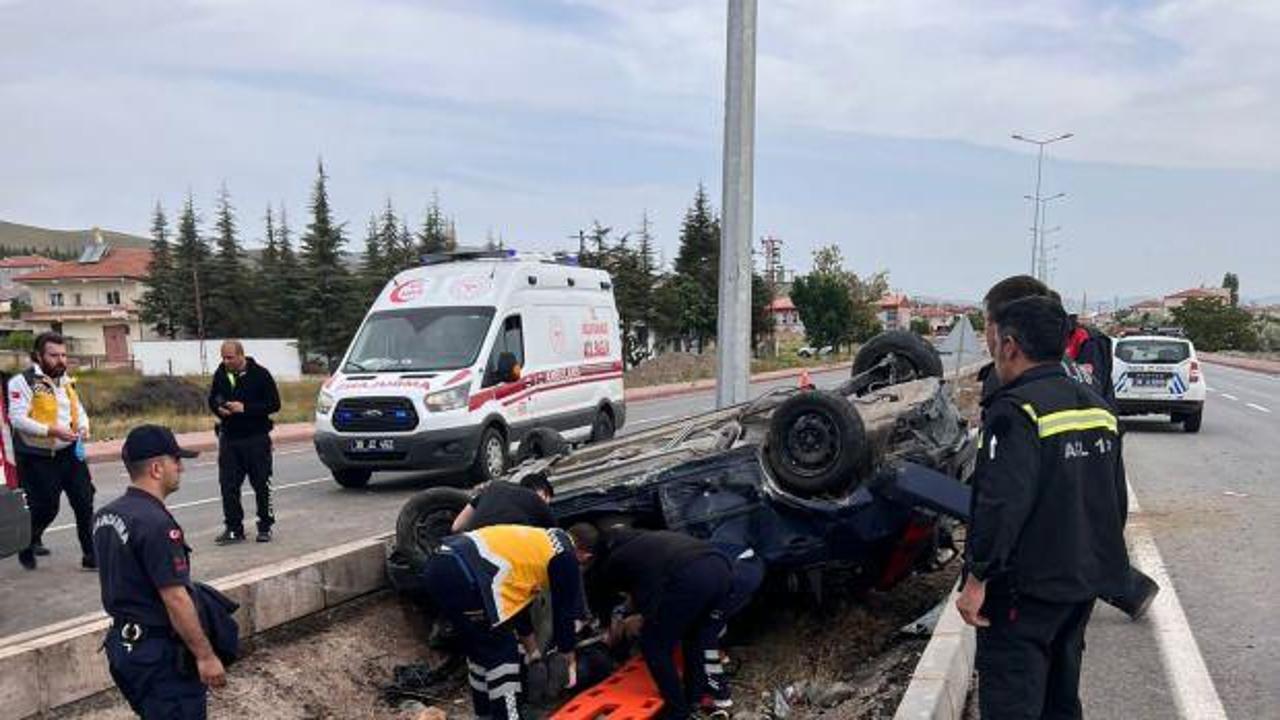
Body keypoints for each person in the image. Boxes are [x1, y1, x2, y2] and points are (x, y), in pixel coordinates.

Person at [957, 296, 1130, 719]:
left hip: (1024, 592)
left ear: (1010, 345)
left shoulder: (1014, 411)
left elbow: (1001, 504)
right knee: (1061, 700)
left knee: (1013, 702)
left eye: (993, 339)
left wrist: (978, 577)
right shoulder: (1098, 408)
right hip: (1081, 585)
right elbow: (1115, 501)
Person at [979, 276, 1158, 620]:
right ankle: (1116, 581)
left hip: (1031, 579)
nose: (987, 334)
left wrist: (978, 575)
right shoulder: (1086, 366)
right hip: (1080, 557)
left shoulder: (1012, 394)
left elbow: (1003, 495)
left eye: (988, 323)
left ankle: (1120, 583)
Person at [93, 425, 225, 718]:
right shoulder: (156, 524)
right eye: (176, 461)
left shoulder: (106, 515)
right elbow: (175, 598)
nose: (181, 469)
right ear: (156, 468)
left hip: (124, 648)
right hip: (159, 655)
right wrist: (205, 656)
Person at [569, 524, 733, 720]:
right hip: (721, 568)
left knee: (655, 645)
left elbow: (623, 601)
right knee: (696, 638)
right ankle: (693, 698)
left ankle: (677, 711)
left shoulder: (609, 565)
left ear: (587, 556)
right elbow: (643, 585)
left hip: (687, 577)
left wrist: (624, 625)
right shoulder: (638, 540)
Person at [422, 524, 583, 719]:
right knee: (503, 654)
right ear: (584, 555)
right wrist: (569, 656)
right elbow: (564, 611)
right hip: (465, 577)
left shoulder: (538, 543)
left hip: (439, 564)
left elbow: (516, 606)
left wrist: (532, 652)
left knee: (479, 652)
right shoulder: (565, 557)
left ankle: (485, 714)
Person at [8, 332, 95, 570]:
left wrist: (84, 427)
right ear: (38, 356)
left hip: (69, 453)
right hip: (38, 456)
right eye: (54, 355)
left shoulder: (65, 380)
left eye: (64, 355)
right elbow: (17, 419)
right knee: (46, 506)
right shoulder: (23, 382)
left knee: (84, 502)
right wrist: (51, 431)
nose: (61, 360)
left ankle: (91, 555)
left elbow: (78, 408)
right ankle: (27, 540)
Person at [207, 340, 280, 545]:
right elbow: (213, 397)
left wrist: (245, 408)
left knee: (261, 482)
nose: (226, 361)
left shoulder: (260, 374)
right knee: (228, 484)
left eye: (230, 357)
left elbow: (274, 403)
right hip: (230, 437)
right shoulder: (221, 373)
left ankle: (265, 526)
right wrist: (218, 407)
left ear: (241, 355)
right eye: (223, 357)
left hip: (255, 437)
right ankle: (233, 528)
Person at [451, 472, 556, 533]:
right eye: (548, 502)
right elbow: (556, 541)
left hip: (474, 545)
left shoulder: (493, 488)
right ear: (543, 494)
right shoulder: (538, 502)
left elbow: (457, 526)